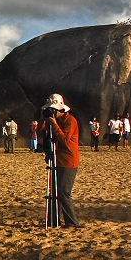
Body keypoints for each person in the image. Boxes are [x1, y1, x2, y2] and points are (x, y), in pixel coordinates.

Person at [37, 93, 81, 228]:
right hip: (56, 158)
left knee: (63, 192)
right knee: (54, 192)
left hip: (68, 160)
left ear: (60, 109)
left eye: (53, 110)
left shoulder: (70, 120)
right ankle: (53, 220)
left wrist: (54, 125)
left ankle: (72, 222)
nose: (52, 112)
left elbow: (65, 141)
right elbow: (39, 132)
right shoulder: (51, 121)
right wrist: (43, 118)